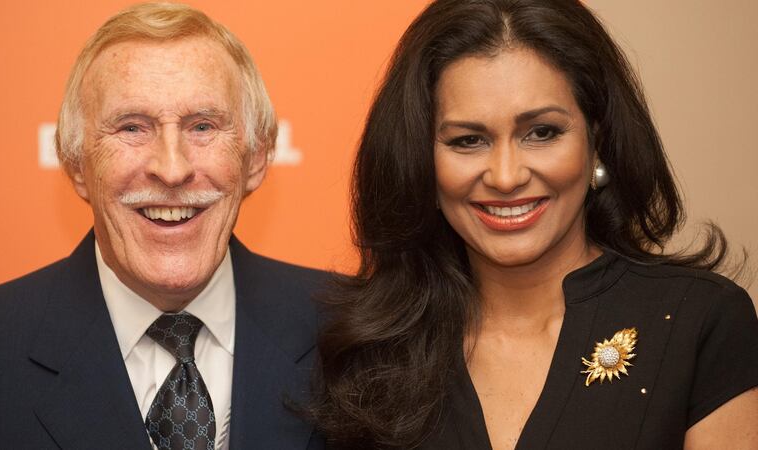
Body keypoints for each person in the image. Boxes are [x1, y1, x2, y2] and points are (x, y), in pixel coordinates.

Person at [307, 0, 758, 449]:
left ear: (596, 141)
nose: (506, 177)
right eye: (469, 140)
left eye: (541, 132)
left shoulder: (698, 322)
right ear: (422, 162)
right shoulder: (371, 352)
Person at [0, 3, 325, 449]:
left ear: (257, 158)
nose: (171, 169)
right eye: (132, 128)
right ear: (76, 165)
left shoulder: (358, 335)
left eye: (203, 126)